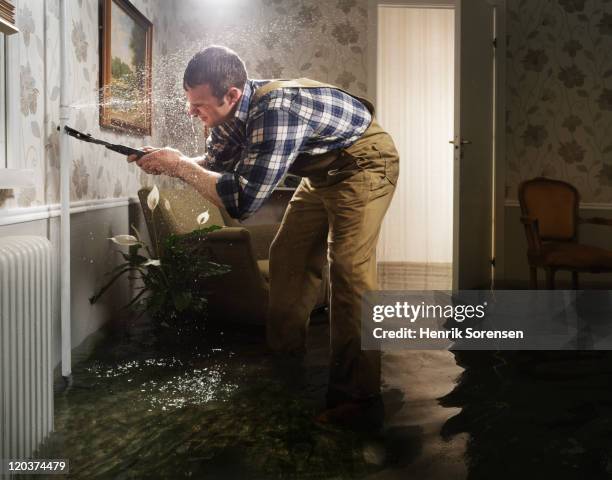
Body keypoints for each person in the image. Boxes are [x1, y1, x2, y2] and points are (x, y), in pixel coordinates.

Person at [129, 45, 399, 427]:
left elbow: (242, 200)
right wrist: (172, 160)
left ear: (232, 95)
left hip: (363, 164)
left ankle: (361, 397)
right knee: (288, 253)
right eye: (190, 103)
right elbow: (217, 166)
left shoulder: (276, 112)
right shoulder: (225, 119)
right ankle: (284, 356)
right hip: (322, 174)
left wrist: (180, 168)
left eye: (199, 104)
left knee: (348, 269)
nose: (192, 112)